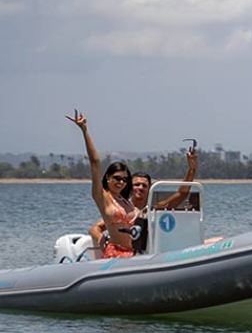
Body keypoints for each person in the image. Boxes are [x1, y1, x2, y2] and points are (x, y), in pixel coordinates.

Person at [88, 148, 198, 249]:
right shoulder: (121, 210)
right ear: (130, 186)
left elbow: (181, 194)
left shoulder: (153, 208)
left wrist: (191, 169)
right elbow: (95, 228)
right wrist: (101, 239)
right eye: (136, 184)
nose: (140, 188)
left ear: (149, 188)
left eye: (144, 185)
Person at [68, 110, 138, 259]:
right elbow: (95, 162)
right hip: (116, 253)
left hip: (134, 254)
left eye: (125, 180)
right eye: (117, 178)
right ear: (107, 178)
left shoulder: (126, 202)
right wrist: (84, 130)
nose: (121, 182)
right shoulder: (102, 197)